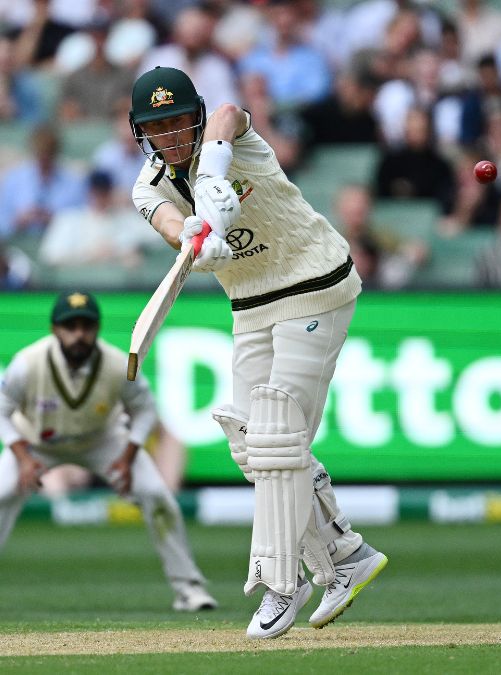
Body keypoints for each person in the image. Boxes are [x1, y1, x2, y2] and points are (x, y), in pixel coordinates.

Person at [127, 66, 387, 640]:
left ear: (192, 116)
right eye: (157, 126)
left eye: (177, 120)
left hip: (314, 281)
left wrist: (214, 178)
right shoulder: (148, 185)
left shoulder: (229, 135)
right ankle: (346, 555)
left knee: (277, 438)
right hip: (250, 304)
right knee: (252, 443)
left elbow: (228, 114)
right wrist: (195, 229)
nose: (170, 134)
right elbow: (170, 222)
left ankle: (280, 584)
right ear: (142, 133)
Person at [0, 291, 217, 613]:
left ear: (97, 327)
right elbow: (2, 409)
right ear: (54, 329)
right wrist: (24, 458)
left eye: (86, 326)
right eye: (69, 326)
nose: (78, 334)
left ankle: (189, 588)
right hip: (37, 442)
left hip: (102, 440)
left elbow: (144, 410)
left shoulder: (117, 364)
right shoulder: (28, 364)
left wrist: (128, 457)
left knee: (157, 495)